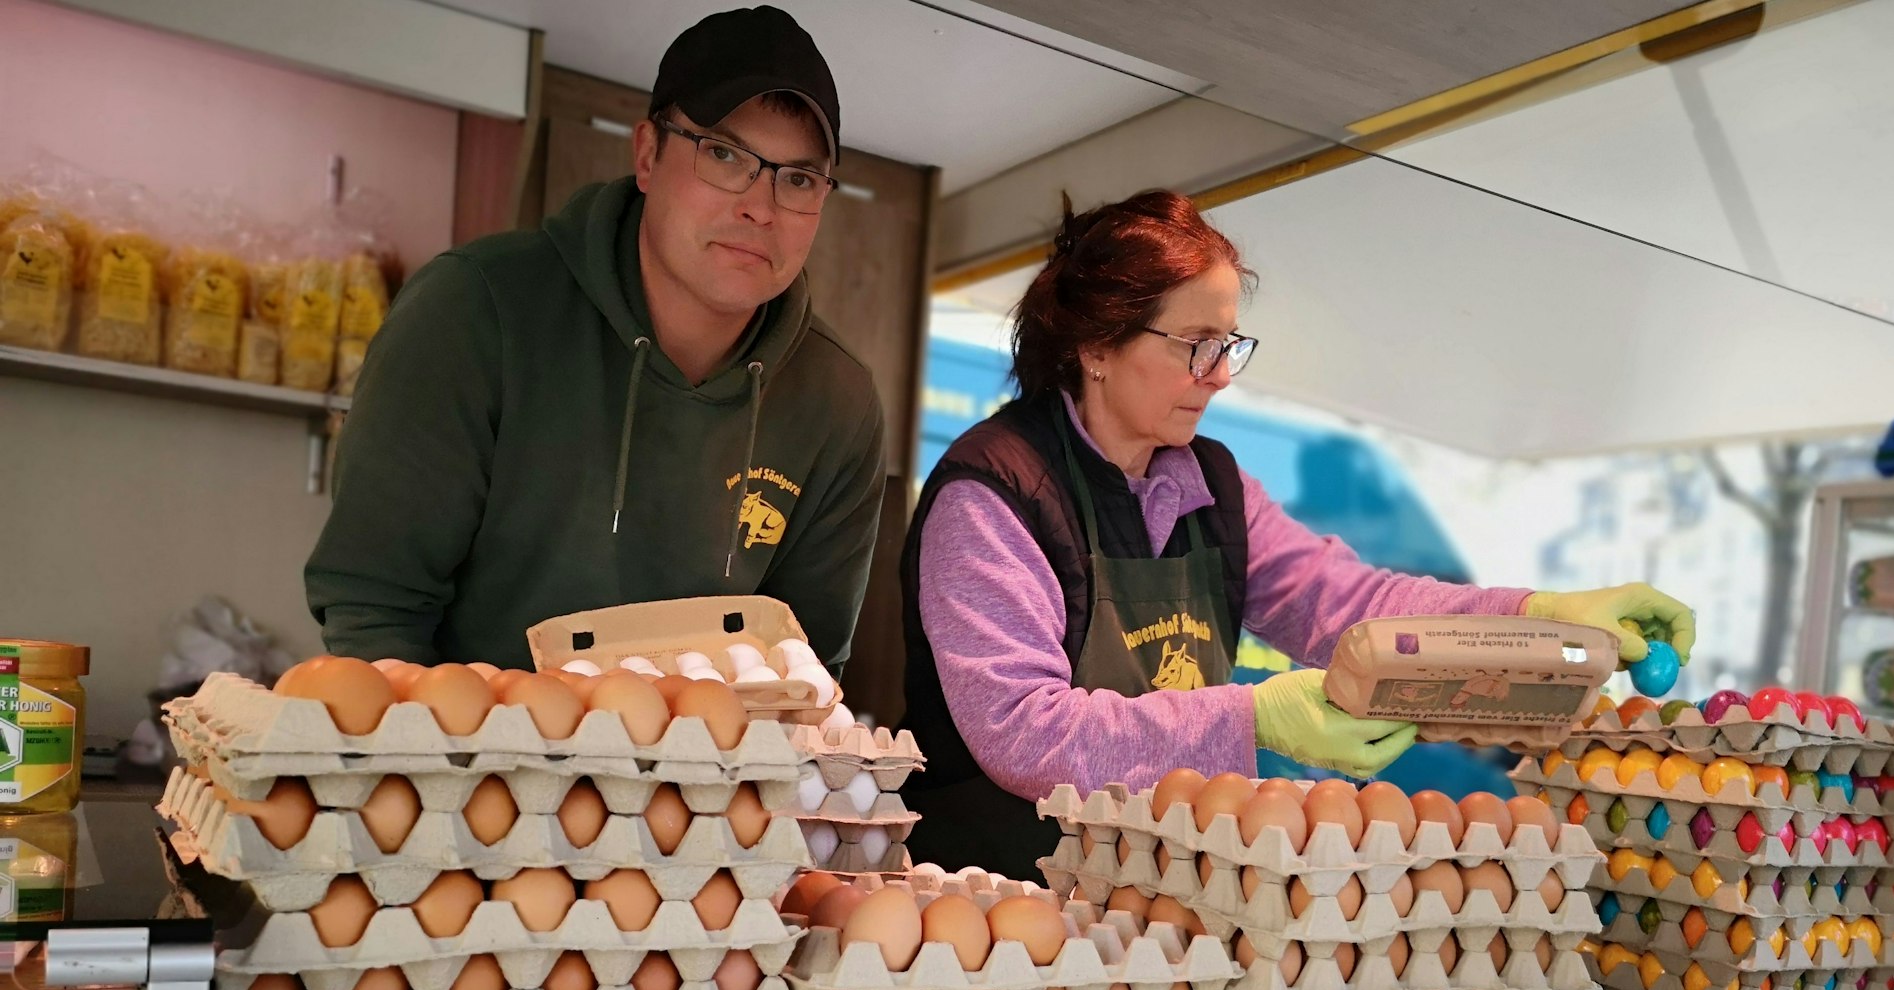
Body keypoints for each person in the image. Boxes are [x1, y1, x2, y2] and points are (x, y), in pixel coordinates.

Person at [899, 190, 1695, 877]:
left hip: (1156, 898)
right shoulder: (995, 494)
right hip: (1005, 908)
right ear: (1097, 345)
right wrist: (1252, 719)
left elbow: (1352, 604)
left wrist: (1542, 615)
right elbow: (1023, 733)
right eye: (1194, 347)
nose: (1219, 375)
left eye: (1228, 345)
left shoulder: (1208, 482)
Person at [306, 7, 885, 673]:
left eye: (800, 179)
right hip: (469, 762)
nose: (761, 206)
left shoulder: (838, 402)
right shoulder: (476, 309)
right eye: (724, 154)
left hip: (701, 777)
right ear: (647, 154)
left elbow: (800, 669)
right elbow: (375, 608)